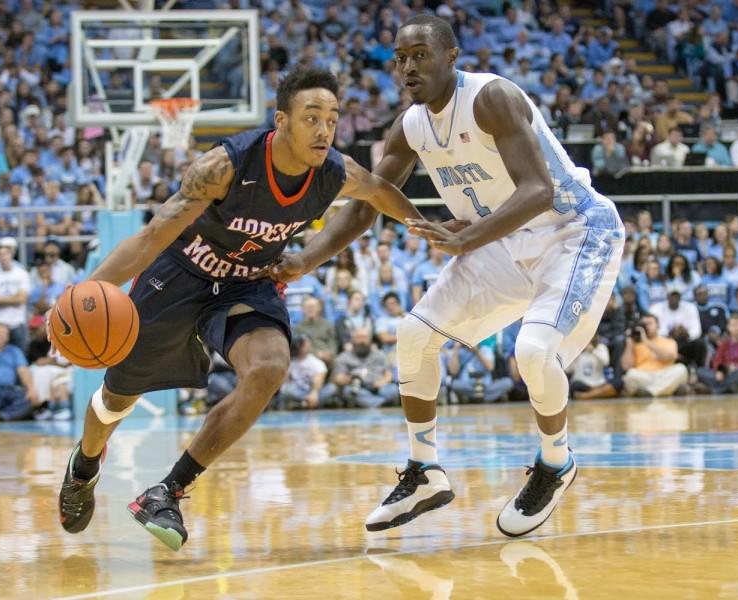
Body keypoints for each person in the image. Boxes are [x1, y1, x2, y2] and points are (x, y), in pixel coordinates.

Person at [265, 16, 624, 537]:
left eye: (420, 55)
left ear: (451, 57)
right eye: (400, 58)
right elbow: (366, 205)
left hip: (573, 233)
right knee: (413, 336)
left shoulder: (490, 98)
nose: (408, 66)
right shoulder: (409, 125)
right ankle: (424, 470)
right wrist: (305, 260)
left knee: (533, 352)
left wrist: (466, 239)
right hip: (501, 242)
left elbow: (537, 191)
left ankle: (556, 462)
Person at [54, 66, 423, 551]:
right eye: (311, 118)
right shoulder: (223, 166)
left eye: (332, 120)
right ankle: (84, 466)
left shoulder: (334, 170)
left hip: (247, 283)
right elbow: (149, 239)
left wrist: (433, 229)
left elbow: (376, 196)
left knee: (270, 366)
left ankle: (167, 491)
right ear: (281, 121)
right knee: (117, 399)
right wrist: (81, 295)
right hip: (180, 274)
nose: (324, 130)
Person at [318, 326, 398, 408]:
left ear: (370, 340)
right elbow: (338, 378)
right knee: (348, 391)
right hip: (358, 389)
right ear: (352, 340)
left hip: (378, 387)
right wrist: (351, 379)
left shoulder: (380, 355)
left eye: (364, 338)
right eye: (358, 338)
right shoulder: (344, 357)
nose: (361, 341)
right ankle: (381, 404)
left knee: (393, 390)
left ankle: (372, 403)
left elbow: (388, 375)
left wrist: (381, 383)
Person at [621, 313, 689, 397]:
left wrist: (645, 340)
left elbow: (670, 356)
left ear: (658, 325)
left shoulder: (668, 341)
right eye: (643, 324)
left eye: (649, 323)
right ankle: (667, 390)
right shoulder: (635, 343)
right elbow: (626, 367)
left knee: (681, 369)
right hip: (644, 376)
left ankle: (651, 392)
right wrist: (629, 343)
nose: (646, 326)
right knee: (630, 375)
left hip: (664, 374)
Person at [696, 312, 738, 394]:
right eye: (733, 325)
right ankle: (727, 388)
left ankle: (715, 390)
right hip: (726, 374)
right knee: (700, 371)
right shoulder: (725, 343)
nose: (736, 328)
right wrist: (721, 371)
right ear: (728, 327)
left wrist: (736, 369)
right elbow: (717, 361)